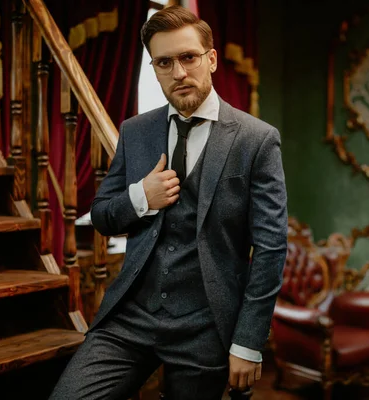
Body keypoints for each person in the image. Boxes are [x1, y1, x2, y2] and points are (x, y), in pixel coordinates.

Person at [49, 5, 287, 400]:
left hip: (206, 325)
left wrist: (247, 341)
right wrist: (141, 196)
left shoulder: (256, 139)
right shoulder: (135, 131)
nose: (178, 72)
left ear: (210, 60)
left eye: (188, 57)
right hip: (130, 317)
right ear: (155, 68)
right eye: (164, 62)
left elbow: (270, 249)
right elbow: (103, 216)